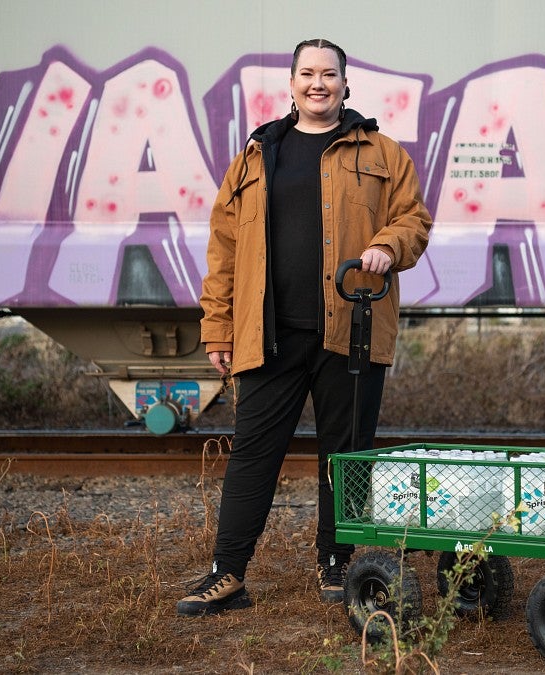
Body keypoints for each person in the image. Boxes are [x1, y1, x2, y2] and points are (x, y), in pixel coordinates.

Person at [177, 38, 432, 616]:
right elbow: (224, 247)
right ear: (291, 84)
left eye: (330, 74)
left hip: (353, 329)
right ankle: (228, 574)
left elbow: (415, 221)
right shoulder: (257, 155)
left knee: (346, 456)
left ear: (347, 84)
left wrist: (388, 246)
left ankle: (339, 565)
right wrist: (217, 326)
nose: (318, 83)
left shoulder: (384, 154)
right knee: (252, 453)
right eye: (307, 74)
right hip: (270, 334)